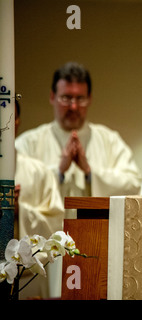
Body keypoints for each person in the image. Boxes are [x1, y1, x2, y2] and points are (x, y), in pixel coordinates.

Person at [15, 62, 141, 218]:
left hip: (97, 235)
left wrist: (90, 172)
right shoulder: (28, 143)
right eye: (66, 98)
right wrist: (58, 172)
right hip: (45, 239)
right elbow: (14, 190)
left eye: (80, 98)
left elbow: (134, 184)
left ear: (89, 99)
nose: (73, 107)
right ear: (52, 97)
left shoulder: (110, 140)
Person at [14, 99, 65, 299]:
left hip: (28, 282)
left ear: (16, 120)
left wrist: (20, 210)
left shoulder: (38, 172)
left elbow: (55, 226)